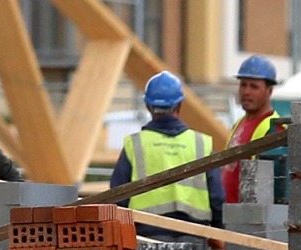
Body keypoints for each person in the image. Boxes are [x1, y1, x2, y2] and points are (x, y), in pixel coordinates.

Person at [110, 71, 221, 229]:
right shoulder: (201, 143)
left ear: (148, 105)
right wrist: (219, 232)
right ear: (180, 104)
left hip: (144, 237)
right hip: (194, 235)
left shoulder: (134, 144)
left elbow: (117, 197)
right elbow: (217, 197)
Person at [221, 54, 284, 205]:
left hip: (250, 217)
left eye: (254, 86)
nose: (246, 92)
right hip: (230, 212)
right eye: (243, 85)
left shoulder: (275, 128)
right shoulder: (239, 123)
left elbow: (275, 185)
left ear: (269, 91)